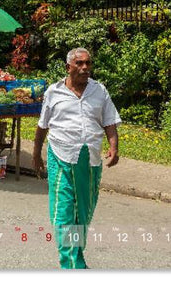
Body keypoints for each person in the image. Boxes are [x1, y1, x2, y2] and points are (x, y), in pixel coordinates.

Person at [32, 47, 120, 269]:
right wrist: (36, 154)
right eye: (79, 63)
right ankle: (72, 265)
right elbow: (42, 126)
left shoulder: (99, 91)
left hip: (89, 160)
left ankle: (75, 257)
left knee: (82, 213)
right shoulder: (53, 92)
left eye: (88, 63)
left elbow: (109, 120)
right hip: (60, 156)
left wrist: (113, 147)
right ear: (68, 67)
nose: (85, 68)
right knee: (64, 212)